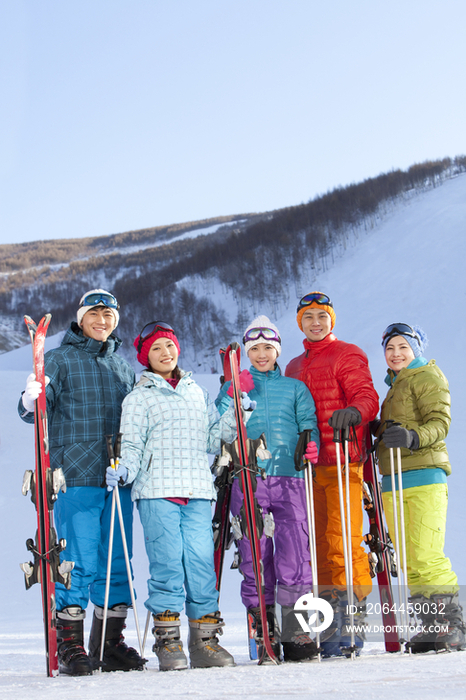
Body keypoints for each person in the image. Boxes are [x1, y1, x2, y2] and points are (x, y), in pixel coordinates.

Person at [18, 289, 145, 675]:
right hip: (75, 476)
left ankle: (108, 642)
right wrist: (29, 399)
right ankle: (70, 642)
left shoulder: (124, 369)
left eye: (109, 316)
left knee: (118, 560)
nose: (102, 321)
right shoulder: (58, 360)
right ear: (81, 317)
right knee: (78, 558)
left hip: (116, 477)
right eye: (95, 314)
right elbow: (32, 414)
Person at [113, 321, 249, 671]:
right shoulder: (139, 397)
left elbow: (214, 438)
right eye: (156, 349)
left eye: (169, 346)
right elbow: (130, 442)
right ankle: (168, 640)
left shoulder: (196, 392)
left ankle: (205, 641)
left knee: (202, 565)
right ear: (146, 356)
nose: (165, 353)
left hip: (198, 490)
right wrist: (126, 468)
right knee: (168, 563)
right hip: (157, 490)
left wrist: (237, 412)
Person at [215, 315, 320, 662]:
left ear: (277, 351)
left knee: (295, 552)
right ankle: (261, 626)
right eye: (255, 348)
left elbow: (308, 423)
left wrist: (310, 443)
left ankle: (295, 628)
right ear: (246, 353)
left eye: (268, 348)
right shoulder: (236, 386)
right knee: (254, 553)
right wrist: (232, 391)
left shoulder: (294, 388)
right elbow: (219, 426)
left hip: (290, 478)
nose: (262, 354)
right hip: (249, 478)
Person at [285, 291, 379, 656]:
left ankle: (352, 618)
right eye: (308, 317)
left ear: (331, 320)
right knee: (320, 545)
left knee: (344, 541)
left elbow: (367, 396)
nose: (315, 322)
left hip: (343, 461)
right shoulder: (293, 366)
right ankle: (328, 617)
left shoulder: (348, 353)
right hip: (310, 468)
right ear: (300, 324)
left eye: (322, 316)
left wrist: (355, 411)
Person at [376, 323, 465, 653]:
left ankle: (450, 624)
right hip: (394, 479)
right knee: (410, 558)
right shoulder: (395, 384)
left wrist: (413, 438)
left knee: (427, 553)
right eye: (390, 348)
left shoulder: (427, 375)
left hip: (425, 475)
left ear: (416, 349)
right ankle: (430, 625)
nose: (396, 353)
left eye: (403, 347)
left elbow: (439, 422)